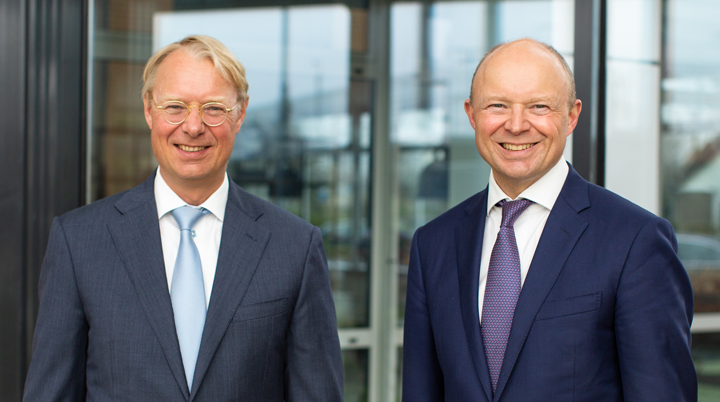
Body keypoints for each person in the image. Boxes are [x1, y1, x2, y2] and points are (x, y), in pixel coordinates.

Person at [23, 35, 343, 401]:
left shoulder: (294, 247)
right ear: (148, 109)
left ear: (239, 114)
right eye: (175, 106)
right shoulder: (79, 241)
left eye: (213, 108)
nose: (193, 126)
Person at [402, 38, 696, 401]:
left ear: (571, 116)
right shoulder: (434, 244)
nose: (516, 124)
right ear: (472, 114)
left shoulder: (635, 240)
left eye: (539, 106)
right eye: (498, 105)